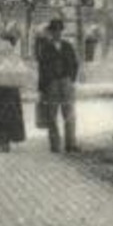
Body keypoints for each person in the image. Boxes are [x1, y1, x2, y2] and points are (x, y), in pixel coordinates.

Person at [0, 30, 32, 152]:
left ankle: (0, 140)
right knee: (8, 117)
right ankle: (3, 141)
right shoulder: (15, 58)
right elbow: (23, 74)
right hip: (10, 92)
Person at [35, 17, 80, 153]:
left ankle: (70, 143)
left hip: (65, 82)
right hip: (52, 83)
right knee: (52, 115)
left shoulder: (67, 46)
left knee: (69, 114)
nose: (57, 33)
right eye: (54, 31)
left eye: (59, 30)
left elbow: (75, 64)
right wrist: (42, 88)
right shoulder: (46, 48)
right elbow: (42, 68)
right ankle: (55, 145)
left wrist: (71, 79)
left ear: (62, 32)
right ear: (50, 32)